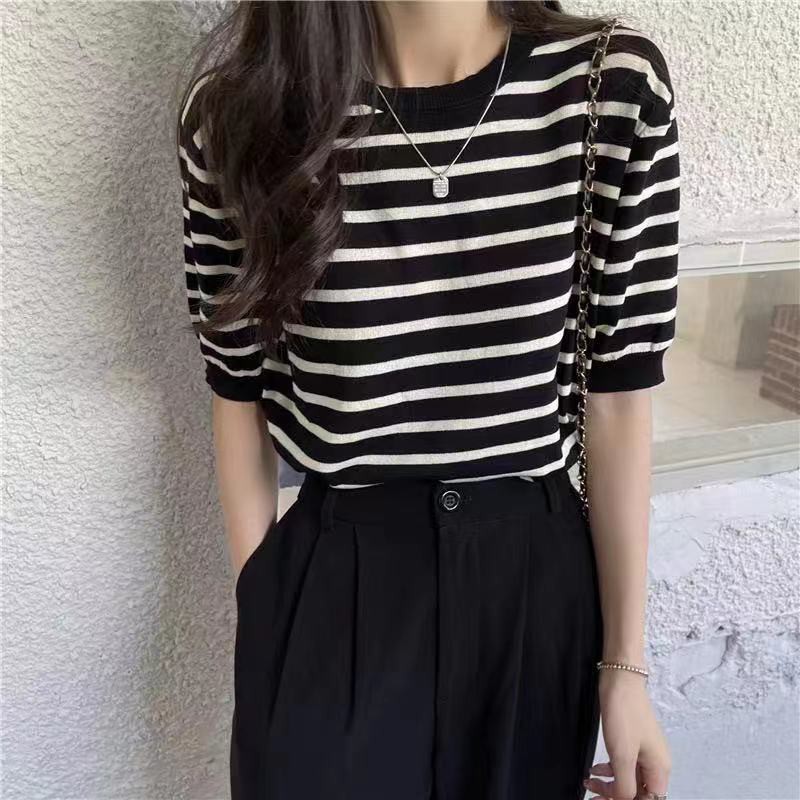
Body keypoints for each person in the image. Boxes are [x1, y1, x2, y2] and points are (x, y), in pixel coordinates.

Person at [175, 2, 678, 799]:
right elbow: (238, 386)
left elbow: (618, 392)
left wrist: (625, 665)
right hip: (333, 582)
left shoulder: (609, 90)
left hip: (530, 590)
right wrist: (266, 607)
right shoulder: (243, 114)